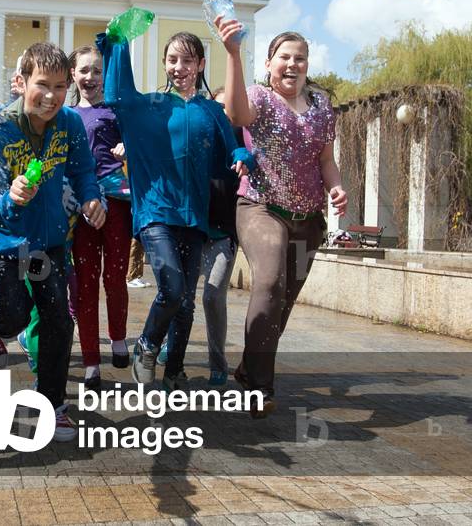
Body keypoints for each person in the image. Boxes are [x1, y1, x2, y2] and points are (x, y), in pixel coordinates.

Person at [100, 29, 254, 392]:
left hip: (194, 217)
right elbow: (117, 96)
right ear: (164, 64)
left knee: (184, 302)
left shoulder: (212, 111)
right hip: (156, 212)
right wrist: (118, 45)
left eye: (187, 60)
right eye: (172, 60)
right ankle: (147, 345)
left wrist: (241, 156)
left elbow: (230, 146)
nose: (179, 67)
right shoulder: (151, 105)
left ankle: (174, 372)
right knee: (171, 288)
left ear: (200, 64)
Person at [0, 41, 105, 442]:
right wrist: (9, 198)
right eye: (42, 85)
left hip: (47, 242)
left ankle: (52, 404)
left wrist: (91, 198)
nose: (51, 96)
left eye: (60, 86)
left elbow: (83, 171)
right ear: (21, 82)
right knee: (14, 317)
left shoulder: (69, 124)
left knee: (58, 318)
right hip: (3, 241)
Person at [218, 21, 347, 418]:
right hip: (260, 207)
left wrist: (336, 188)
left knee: (282, 303)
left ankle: (248, 370)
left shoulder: (322, 106)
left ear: (307, 64)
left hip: (308, 219)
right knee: (270, 279)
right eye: (284, 57)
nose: (292, 64)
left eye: (300, 58)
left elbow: (326, 160)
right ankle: (261, 387)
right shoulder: (259, 96)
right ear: (270, 63)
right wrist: (233, 53)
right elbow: (235, 113)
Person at [155, 87, 242, 388]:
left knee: (212, 295)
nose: (222, 115)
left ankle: (218, 363)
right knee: (177, 293)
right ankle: (171, 346)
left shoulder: (238, 144)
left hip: (222, 236)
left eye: (228, 109)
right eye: (217, 108)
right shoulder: (195, 140)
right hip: (191, 230)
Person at [67, 45, 133, 391]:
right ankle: (91, 360)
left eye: (97, 71)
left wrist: (128, 147)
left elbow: (138, 142)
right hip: (82, 208)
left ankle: (118, 338)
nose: (90, 77)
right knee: (85, 284)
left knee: (116, 276)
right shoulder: (66, 116)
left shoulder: (115, 111)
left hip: (117, 203)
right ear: (73, 74)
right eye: (84, 70)